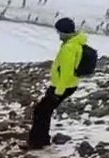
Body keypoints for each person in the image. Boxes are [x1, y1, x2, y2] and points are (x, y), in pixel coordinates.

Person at [29, 17, 90, 149]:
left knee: (41, 112)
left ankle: (38, 142)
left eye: (59, 32)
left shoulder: (69, 47)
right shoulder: (75, 42)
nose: (58, 35)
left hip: (62, 86)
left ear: (64, 32)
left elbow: (66, 72)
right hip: (68, 85)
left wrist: (58, 92)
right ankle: (40, 140)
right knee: (44, 111)